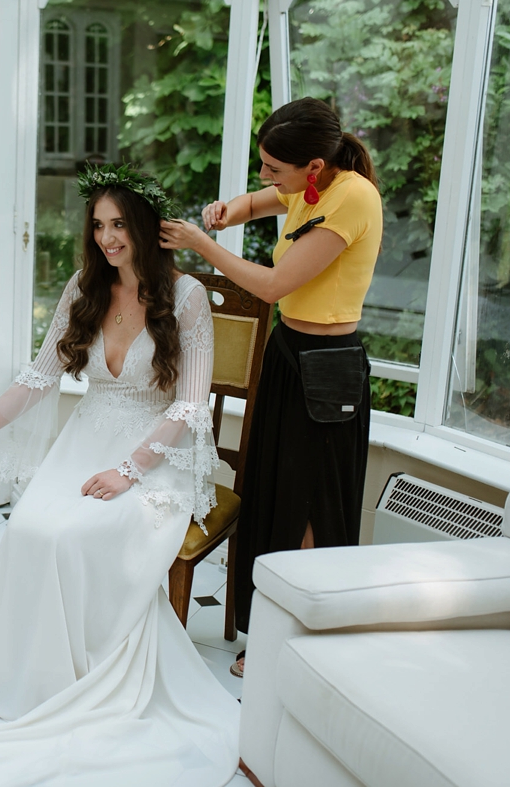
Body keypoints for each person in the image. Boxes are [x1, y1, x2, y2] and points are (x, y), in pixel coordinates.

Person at [0, 164, 240, 787]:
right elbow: (38, 378)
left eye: (119, 225)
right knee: (31, 529)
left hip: (154, 455)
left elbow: (191, 405)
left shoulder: (188, 297)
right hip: (85, 439)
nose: (108, 238)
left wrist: (128, 472)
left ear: (144, 225)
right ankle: (37, 679)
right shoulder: (83, 288)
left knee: (74, 536)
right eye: (98, 226)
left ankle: (88, 676)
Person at [158, 96, 383, 678]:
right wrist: (225, 212)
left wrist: (202, 245)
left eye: (273, 168)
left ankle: (292, 639)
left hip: (328, 369)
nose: (265, 177)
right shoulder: (308, 185)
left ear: (314, 166)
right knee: (277, 495)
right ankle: (271, 628)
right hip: (289, 355)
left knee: (310, 506)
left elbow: (277, 284)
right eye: (261, 163)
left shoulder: (352, 197)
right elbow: (256, 202)